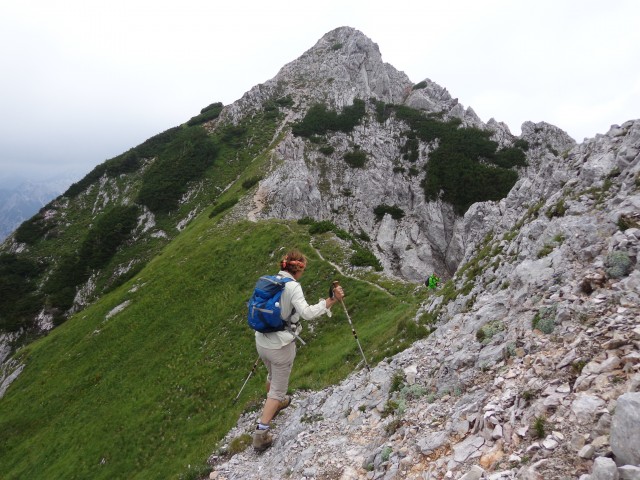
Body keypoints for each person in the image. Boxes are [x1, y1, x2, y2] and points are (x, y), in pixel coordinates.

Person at [252, 249, 344, 452]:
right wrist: (331, 301)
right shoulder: (293, 287)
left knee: (271, 375)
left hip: (261, 341)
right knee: (277, 390)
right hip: (280, 346)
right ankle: (261, 433)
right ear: (298, 270)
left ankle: (276, 404)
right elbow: (307, 313)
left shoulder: (269, 280)